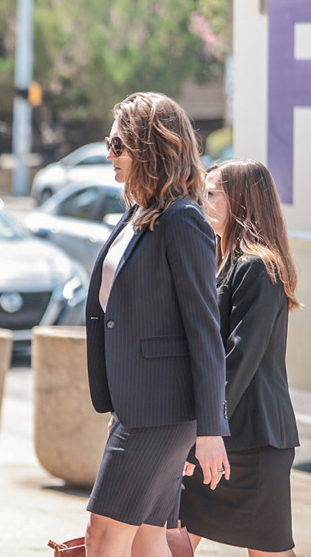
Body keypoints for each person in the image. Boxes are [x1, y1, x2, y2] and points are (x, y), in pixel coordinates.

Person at [84, 92, 230, 557]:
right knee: (148, 538)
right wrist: (118, 403)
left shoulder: (183, 220)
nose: (110, 155)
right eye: (109, 143)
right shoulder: (138, 214)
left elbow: (204, 329)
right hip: (139, 405)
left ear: (152, 149)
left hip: (162, 412)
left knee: (103, 537)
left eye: (119, 145)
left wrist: (210, 429)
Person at [179, 158, 300, 556]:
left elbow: (238, 357)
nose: (202, 200)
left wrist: (205, 425)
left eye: (211, 193)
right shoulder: (222, 263)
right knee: (171, 537)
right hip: (222, 434)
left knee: (267, 550)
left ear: (241, 200)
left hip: (253, 440)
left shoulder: (257, 267)